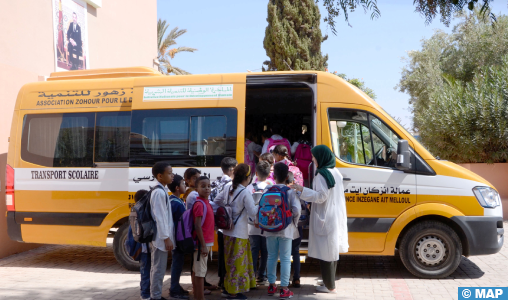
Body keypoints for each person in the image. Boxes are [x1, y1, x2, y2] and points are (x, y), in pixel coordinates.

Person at [291, 145, 349, 294]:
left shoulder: (321, 174)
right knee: (332, 251)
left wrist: (301, 189)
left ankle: (330, 286)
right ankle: (328, 283)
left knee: (326, 253)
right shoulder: (335, 172)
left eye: (314, 157)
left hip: (326, 216)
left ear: (321, 157)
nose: (312, 159)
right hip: (332, 215)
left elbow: (321, 196)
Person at [213, 164, 258, 299]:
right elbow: (253, 213)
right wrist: (258, 204)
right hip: (239, 233)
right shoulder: (245, 192)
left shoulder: (228, 187)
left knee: (230, 261)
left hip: (227, 231)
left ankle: (229, 288)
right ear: (248, 177)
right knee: (237, 263)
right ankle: (232, 291)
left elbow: (216, 201)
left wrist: (228, 209)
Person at [265, 163, 301, 299]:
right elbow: (297, 210)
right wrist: (294, 223)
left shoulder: (268, 189)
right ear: (287, 177)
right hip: (286, 229)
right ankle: (284, 288)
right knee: (286, 258)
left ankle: (271, 285)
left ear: (273, 176)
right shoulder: (290, 191)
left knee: (271, 256)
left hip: (270, 228)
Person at [210, 157, 237, 290]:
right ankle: (228, 281)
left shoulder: (215, 182)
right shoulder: (231, 185)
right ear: (232, 169)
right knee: (230, 253)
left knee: (221, 252)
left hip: (218, 223)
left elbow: (213, 201)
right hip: (229, 224)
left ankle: (221, 279)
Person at [150, 162, 176, 300]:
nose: (172, 175)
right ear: (160, 176)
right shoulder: (159, 192)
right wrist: (166, 237)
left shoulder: (162, 191)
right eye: (169, 173)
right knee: (158, 269)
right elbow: (160, 217)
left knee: (158, 267)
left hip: (160, 237)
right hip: (160, 238)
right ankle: (156, 296)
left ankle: (156, 294)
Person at [246, 161, 272, 285]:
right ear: (268, 174)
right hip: (267, 225)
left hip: (252, 225)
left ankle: (252, 276)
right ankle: (263, 276)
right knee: (266, 251)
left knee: (253, 250)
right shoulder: (271, 187)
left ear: (256, 173)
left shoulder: (249, 187)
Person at [191, 176, 215, 300]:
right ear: (197, 189)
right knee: (200, 273)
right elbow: (197, 225)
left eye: (209, 186)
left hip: (205, 242)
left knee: (198, 271)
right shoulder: (199, 204)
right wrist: (203, 245)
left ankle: (197, 296)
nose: (207, 188)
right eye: (203, 186)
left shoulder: (206, 203)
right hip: (201, 244)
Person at [125, 189, 151, 300]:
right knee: (146, 271)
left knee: (146, 270)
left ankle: (146, 292)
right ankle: (145, 294)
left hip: (143, 247)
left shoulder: (135, 210)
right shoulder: (140, 212)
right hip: (143, 248)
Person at [168, 175, 190, 300]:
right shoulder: (177, 203)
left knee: (178, 263)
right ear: (177, 188)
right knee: (177, 263)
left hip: (175, 237)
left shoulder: (173, 200)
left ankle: (175, 286)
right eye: (183, 184)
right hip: (178, 238)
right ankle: (174, 289)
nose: (185, 186)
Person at [285, 173, 303, 288]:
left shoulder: (279, 190)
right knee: (295, 251)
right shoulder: (297, 192)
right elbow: (297, 210)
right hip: (295, 226)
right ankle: (296, 279)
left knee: (284, 254)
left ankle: (285, 280)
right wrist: (295, 222)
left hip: (282, 226)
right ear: (293, 181)